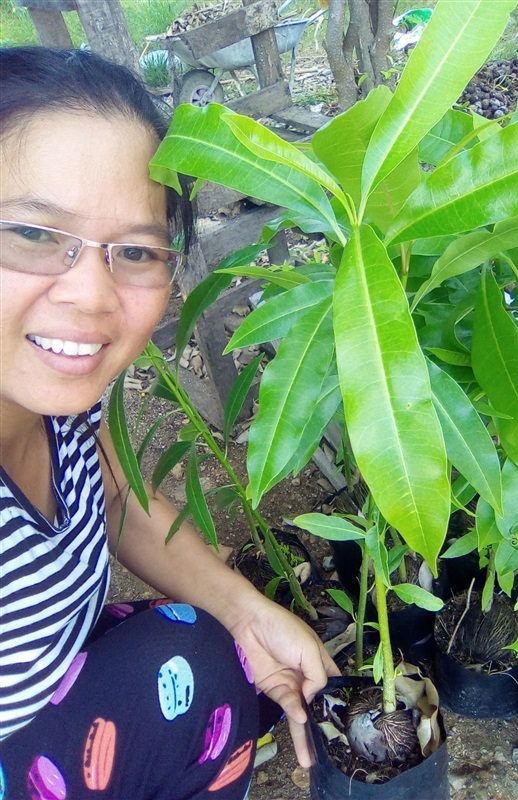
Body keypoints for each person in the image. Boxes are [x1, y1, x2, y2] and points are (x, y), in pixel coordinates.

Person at [0, 46, 337, 800]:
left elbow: (116, 500)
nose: (90, 294)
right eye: (30, 234)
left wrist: (248, 612)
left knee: (210, 654)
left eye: (136, 251)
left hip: (46, 697)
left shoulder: (60, 402)